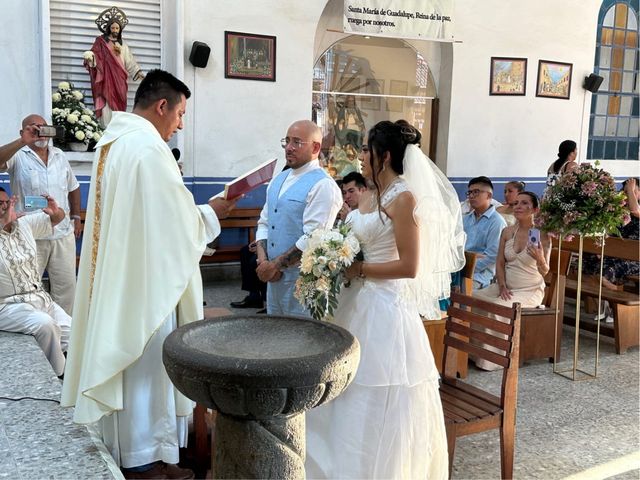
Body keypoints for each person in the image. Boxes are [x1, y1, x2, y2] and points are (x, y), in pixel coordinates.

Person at [61, 70, 237, 480]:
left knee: (137, 368)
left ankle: (148, 456)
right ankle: (146, 459)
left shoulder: (114, 144)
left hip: (127, 274)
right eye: (180, 114)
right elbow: (172, 225)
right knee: (146, 365)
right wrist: (213, 213)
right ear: (162, 106)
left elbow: (151, 216)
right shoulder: (147, 149)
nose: (181, 124)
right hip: (145, 286)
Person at [306, 120, 465, 479]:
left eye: (366, 149)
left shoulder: (403, 197)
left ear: (386, 155)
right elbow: (356, 240)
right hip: (357, 301)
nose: (361, 156)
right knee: (342, 383)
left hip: (385, 310)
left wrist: (359, 269)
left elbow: (410, 266)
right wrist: (335, 256)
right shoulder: (370, 194)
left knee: (375, 390)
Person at [255, 120, 342, 316]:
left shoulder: (323, 185)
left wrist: (275, 265)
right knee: (277, 336)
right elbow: (265, 222)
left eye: (297, 142)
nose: (289, 148)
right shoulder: (279, 179)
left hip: (303, 283)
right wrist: (263, 263)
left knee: (302, 340)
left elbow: (313, 238)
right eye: (287, 141)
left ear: (316, 147)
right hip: (273, 279)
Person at [0, 114, 82, 315]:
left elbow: (74, 187)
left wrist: (77, 217)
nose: (39, 131)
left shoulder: (60, 156)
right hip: (30, 235)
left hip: (62, 232)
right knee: (29, 289)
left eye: (43, 127)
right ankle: (36, 339)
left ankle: (65, 340)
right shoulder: (18, 155)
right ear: (23, 132)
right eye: (33, 127)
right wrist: (22, 142)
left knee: (67, 290)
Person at [473, 191, 551, 370]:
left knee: (498, 307)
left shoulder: (542, 235)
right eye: (516, 203)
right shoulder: (507, 231)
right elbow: (499, 262)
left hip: (529, 290)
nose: (518, 207)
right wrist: (501, 285)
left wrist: (540, 257)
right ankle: (474, 352)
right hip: (505, 286)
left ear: (535, 209)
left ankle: (492, 361)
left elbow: (545, 272)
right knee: (472, 297)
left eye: (524, 203)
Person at [0, 188, 70, 377]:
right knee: (45, 325)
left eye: (7, 202)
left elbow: (57, 219)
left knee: (76, 333)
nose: (6, 208)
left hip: (40, 298)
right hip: (8, 306)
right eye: (0, 204)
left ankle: (78, 381)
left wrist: (56, 210)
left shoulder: (24, 224)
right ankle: (59, 379)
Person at [85, 6, 145, 126]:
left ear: (120, 29)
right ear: (108, 28)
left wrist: (137, 72)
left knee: (119, 106)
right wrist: (90, 57)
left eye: (117, 28)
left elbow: (130, 62)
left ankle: (117, 129)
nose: (115, 30)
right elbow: (94, 55)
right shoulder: (101, 42)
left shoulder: (123, 45)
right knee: (106, 105)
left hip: (119, 81)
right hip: (105, 80)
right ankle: (105, 128)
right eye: (113, 27)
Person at [463, 176, 508, 290]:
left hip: (480, 276)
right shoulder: (465, 219)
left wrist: (467, 266)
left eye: (476, 192)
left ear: (489, 195)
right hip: (461, 270)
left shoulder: (497, 222)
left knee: (459, 291)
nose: (471, 196)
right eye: (470, 192)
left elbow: (492, 256)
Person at [229, 240, 267, 311]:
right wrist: (257, 242)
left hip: (277, 247)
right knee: (245, 251)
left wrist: (262, 248)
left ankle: (268, 300)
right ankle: (254, 297)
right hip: (266, 242)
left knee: (254, 261)